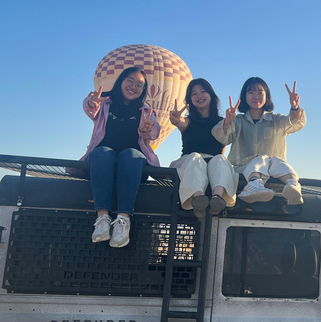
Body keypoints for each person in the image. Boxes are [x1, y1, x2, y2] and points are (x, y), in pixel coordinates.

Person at [79, 67, 159, 248]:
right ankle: (102, 219)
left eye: (140, 84)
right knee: (102, 152)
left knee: (130, 155)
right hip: (103, 162)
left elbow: (154, 132)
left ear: (144, 90)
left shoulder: (145, 110)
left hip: (133, 164)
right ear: (121, 81)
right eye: (130, 80)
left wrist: (146, 130)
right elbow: (91, 107)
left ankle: (123, 219)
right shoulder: (106, 102)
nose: (134, 86)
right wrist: (91, 102)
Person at [211, 77, 305, 205]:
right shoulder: (238, 121)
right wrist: (227, 122)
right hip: (243, 174)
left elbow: (295, 123)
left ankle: (292, 183)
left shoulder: (276, 120)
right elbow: (222, 137)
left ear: (267, 95)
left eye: (260, 92)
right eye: (251, 92)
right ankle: (255, 183)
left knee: (276, 160)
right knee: (261, 158)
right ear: (244, 96)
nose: (256, 96)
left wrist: (295, 107)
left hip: (273, 175)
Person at [168, 78, 236, 218]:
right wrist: (176, 120)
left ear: (211, 95)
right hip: (189, 163)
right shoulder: (189, 121)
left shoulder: (221, 122)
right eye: (194, 93)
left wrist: (227, 123)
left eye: (203, 91)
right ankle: (199, 199)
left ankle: (217, 198)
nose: (199, 96)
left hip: (211, 164)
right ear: (189, 100)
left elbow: (222, 143)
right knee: (195, 157)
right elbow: (182, 122)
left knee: (220, 159)